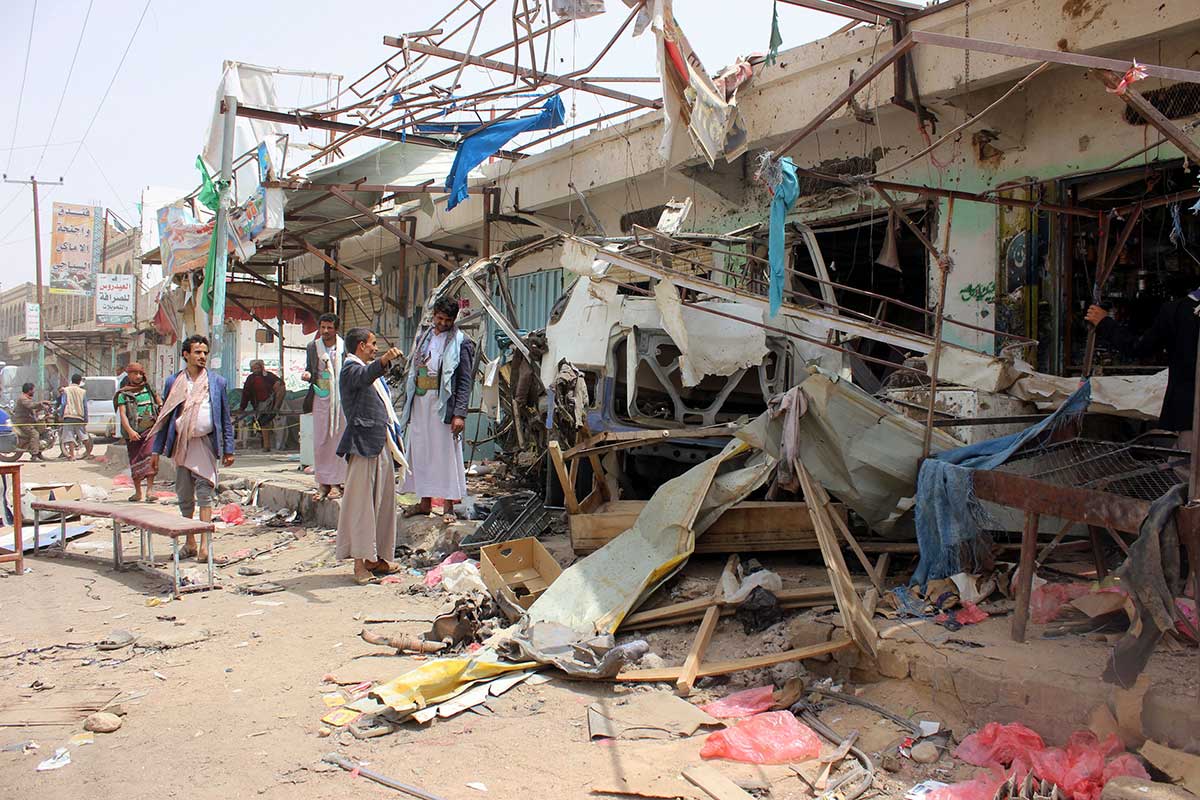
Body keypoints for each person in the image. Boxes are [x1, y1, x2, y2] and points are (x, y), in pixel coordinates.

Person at [148, 335, 235, 562]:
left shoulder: (216, 383)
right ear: (186, 354)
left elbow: (225, 417)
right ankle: (190, 542)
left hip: (205, 444)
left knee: (205, 493)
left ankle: (206, 546)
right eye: (197, 352)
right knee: (185, 496)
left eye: (205, 352)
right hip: (181, 446)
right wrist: (155, 452)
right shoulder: (174, 382)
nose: (202, 357)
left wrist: (229, 449)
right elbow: (166, 417)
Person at [335, 327, 406, 584]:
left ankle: (376, 558)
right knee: (361, 506)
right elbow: (364, 376)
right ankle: (358, 564)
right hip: (363, 445)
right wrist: (384, 360)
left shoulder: (368, 372)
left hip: (380, 443)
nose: (375, 348)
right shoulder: (350, 369)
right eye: (373, 344)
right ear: (361, 346)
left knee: (384, 504)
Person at [1088, 294, 1200, 449]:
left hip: (1191, 414)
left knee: (1186, 466)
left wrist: (1104, 323)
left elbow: (1139, 347)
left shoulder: (1178, 310)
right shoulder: (1177, 310)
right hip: (1190, 413)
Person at [400, 297, 475, 524]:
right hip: (421, 403)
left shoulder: (462, 342)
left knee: (445, 455)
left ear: (454, 320)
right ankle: (424, 502)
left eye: (447, 320)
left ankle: (449, 506)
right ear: (434, 315)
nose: (442, 323)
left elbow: (464, 381)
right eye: (439, 318)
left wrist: (459, 413)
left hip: (444, 405)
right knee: (421, 452)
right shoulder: (424, 335)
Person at [302, 313, 347, 500]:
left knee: (338, 438)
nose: (326, 331)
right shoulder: (314, 347)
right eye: (323, 328)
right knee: (321, 440)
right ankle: (323, 483)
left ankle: (337, 483)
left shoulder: (344, 347)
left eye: (329, 328)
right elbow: (310, 369)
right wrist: (307, 375)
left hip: (341, 399)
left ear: (336, 329)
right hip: (321, 397)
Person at [114, 363, 161, 502]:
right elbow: (122, 414)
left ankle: (150, 491)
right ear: (129, 375)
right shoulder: (123, 394)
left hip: (150, 429)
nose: (138, 376)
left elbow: (159, 402)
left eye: (140, 373)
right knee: (135, 460)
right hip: (133, 432)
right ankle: (138, 492)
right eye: (135, 373)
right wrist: (130, 431)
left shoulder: (149, 389)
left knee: (150, 457)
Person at [239, 360, 283, 452]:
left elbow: (280, 383)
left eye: (258, 368)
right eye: (254, 368)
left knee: (275, 423)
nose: (256, 370)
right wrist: (242, 407)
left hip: (272, 403)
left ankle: (276, 446)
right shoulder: (250, 379)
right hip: (259, 404)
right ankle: (267, 446)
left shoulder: (268, 376)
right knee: (264, 423)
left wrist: (276, 403)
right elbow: (246, 393)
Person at [12, 382, 45, 461]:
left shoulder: (27, 399)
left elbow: (32, 409)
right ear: (29, 390)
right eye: (33, 390)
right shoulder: (23, 398)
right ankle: (34, 455)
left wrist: (43, 407)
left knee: (40, 432)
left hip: (29, 421)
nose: (34, 391)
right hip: (23, 423)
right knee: (35, 434)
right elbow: (30, 405)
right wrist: (41, 403)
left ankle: (39, 452)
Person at [60, 374, 88, 461]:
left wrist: (61, 415)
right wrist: (86, 418)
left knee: (69, 437)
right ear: (79, 381)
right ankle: (89, 453)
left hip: (68, 415)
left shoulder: (66, 390)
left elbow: (63, 404)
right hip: (79, 416)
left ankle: (72, 456)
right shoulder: (82, 392)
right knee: (83, 436)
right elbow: (85, 406)